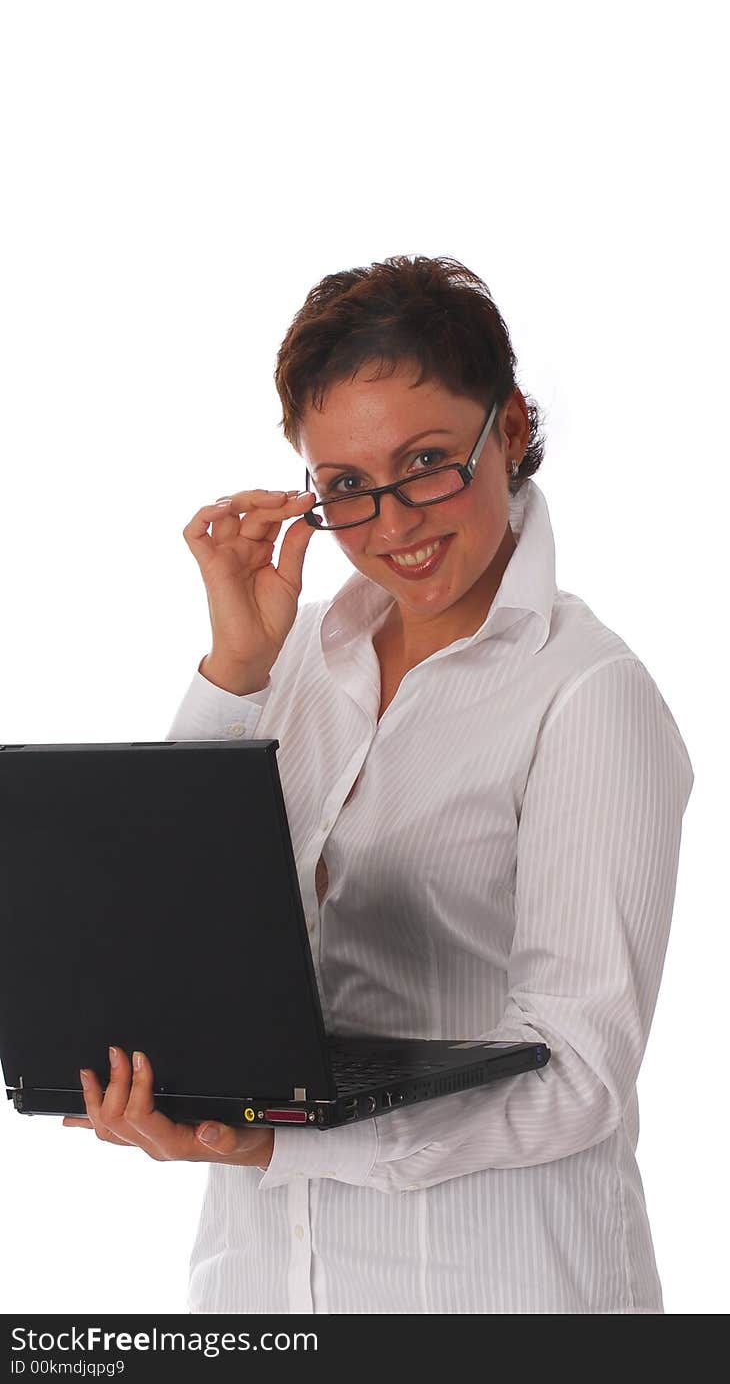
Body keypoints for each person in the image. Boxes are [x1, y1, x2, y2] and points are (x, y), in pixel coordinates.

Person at [64, 254, 695, 1314]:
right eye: (347, 487)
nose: (394, 522)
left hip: (491, 1288)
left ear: (509, 430)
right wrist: (236, 672)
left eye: (429, 461)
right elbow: (167, 926)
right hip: (263, 1283)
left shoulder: (589, 695)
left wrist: (284, 1146)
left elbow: (580, 1080)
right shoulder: (297, 662)